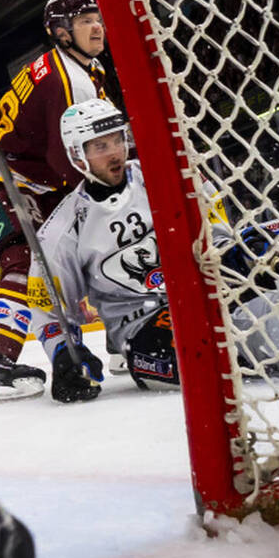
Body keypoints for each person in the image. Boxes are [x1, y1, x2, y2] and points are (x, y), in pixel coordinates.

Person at [31, 100, 237, 402]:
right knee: (204, 357)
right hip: (143, 327)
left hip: (204, 293)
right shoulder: (61, 231)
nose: (115, 151)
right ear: (78, 155)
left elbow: (218, 233)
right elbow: (49, 309)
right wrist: (64, 354)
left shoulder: (168, 173)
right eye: (101, 146)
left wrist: (237, 253)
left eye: (118, 139)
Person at [0, 0, 111, 403]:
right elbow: (64, 158)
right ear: (62, 33)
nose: (97, 26)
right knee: (23, 261)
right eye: (85, 21)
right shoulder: (66, 80)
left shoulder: (86, 69)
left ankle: (119, 336)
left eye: (96, 17)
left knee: (82, 247)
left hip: (38, 178)